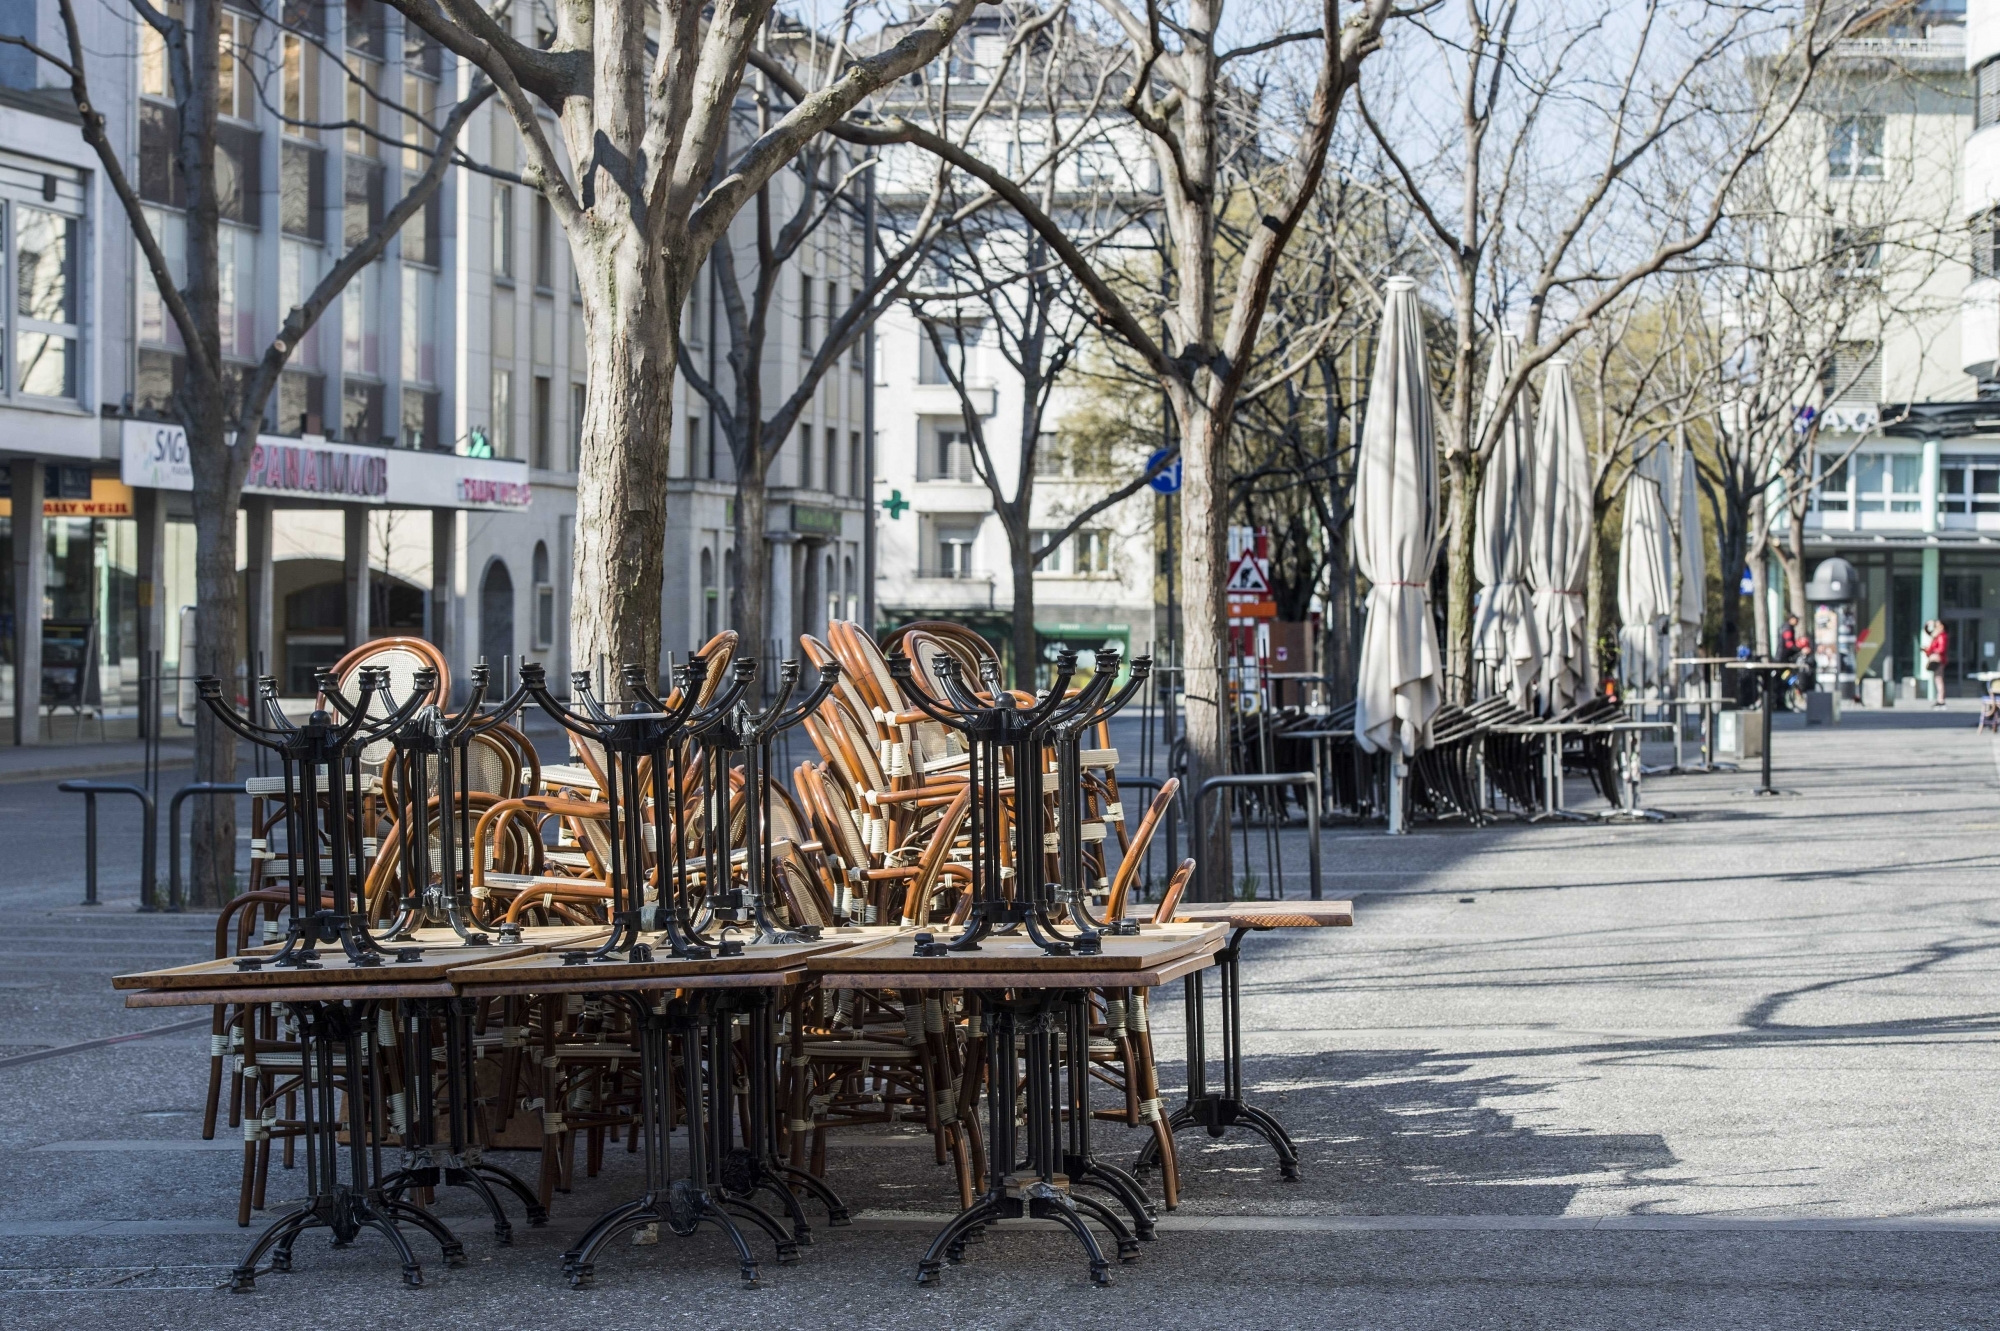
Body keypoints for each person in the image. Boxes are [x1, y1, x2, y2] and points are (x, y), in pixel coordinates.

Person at [1922, 619, 1950, 707]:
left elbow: (1941, 649)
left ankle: (1941, 699)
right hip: (1936, 658)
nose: (1935, 627)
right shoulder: (1937, 635)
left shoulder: (1942, 636)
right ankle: (1940, 699)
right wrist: (1927, 624)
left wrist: (1931, 650)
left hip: (1939, 660)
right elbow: (1927, 632)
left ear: (1942, 626)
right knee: (1937, 679)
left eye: (1937, 625)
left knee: (1939, 679)